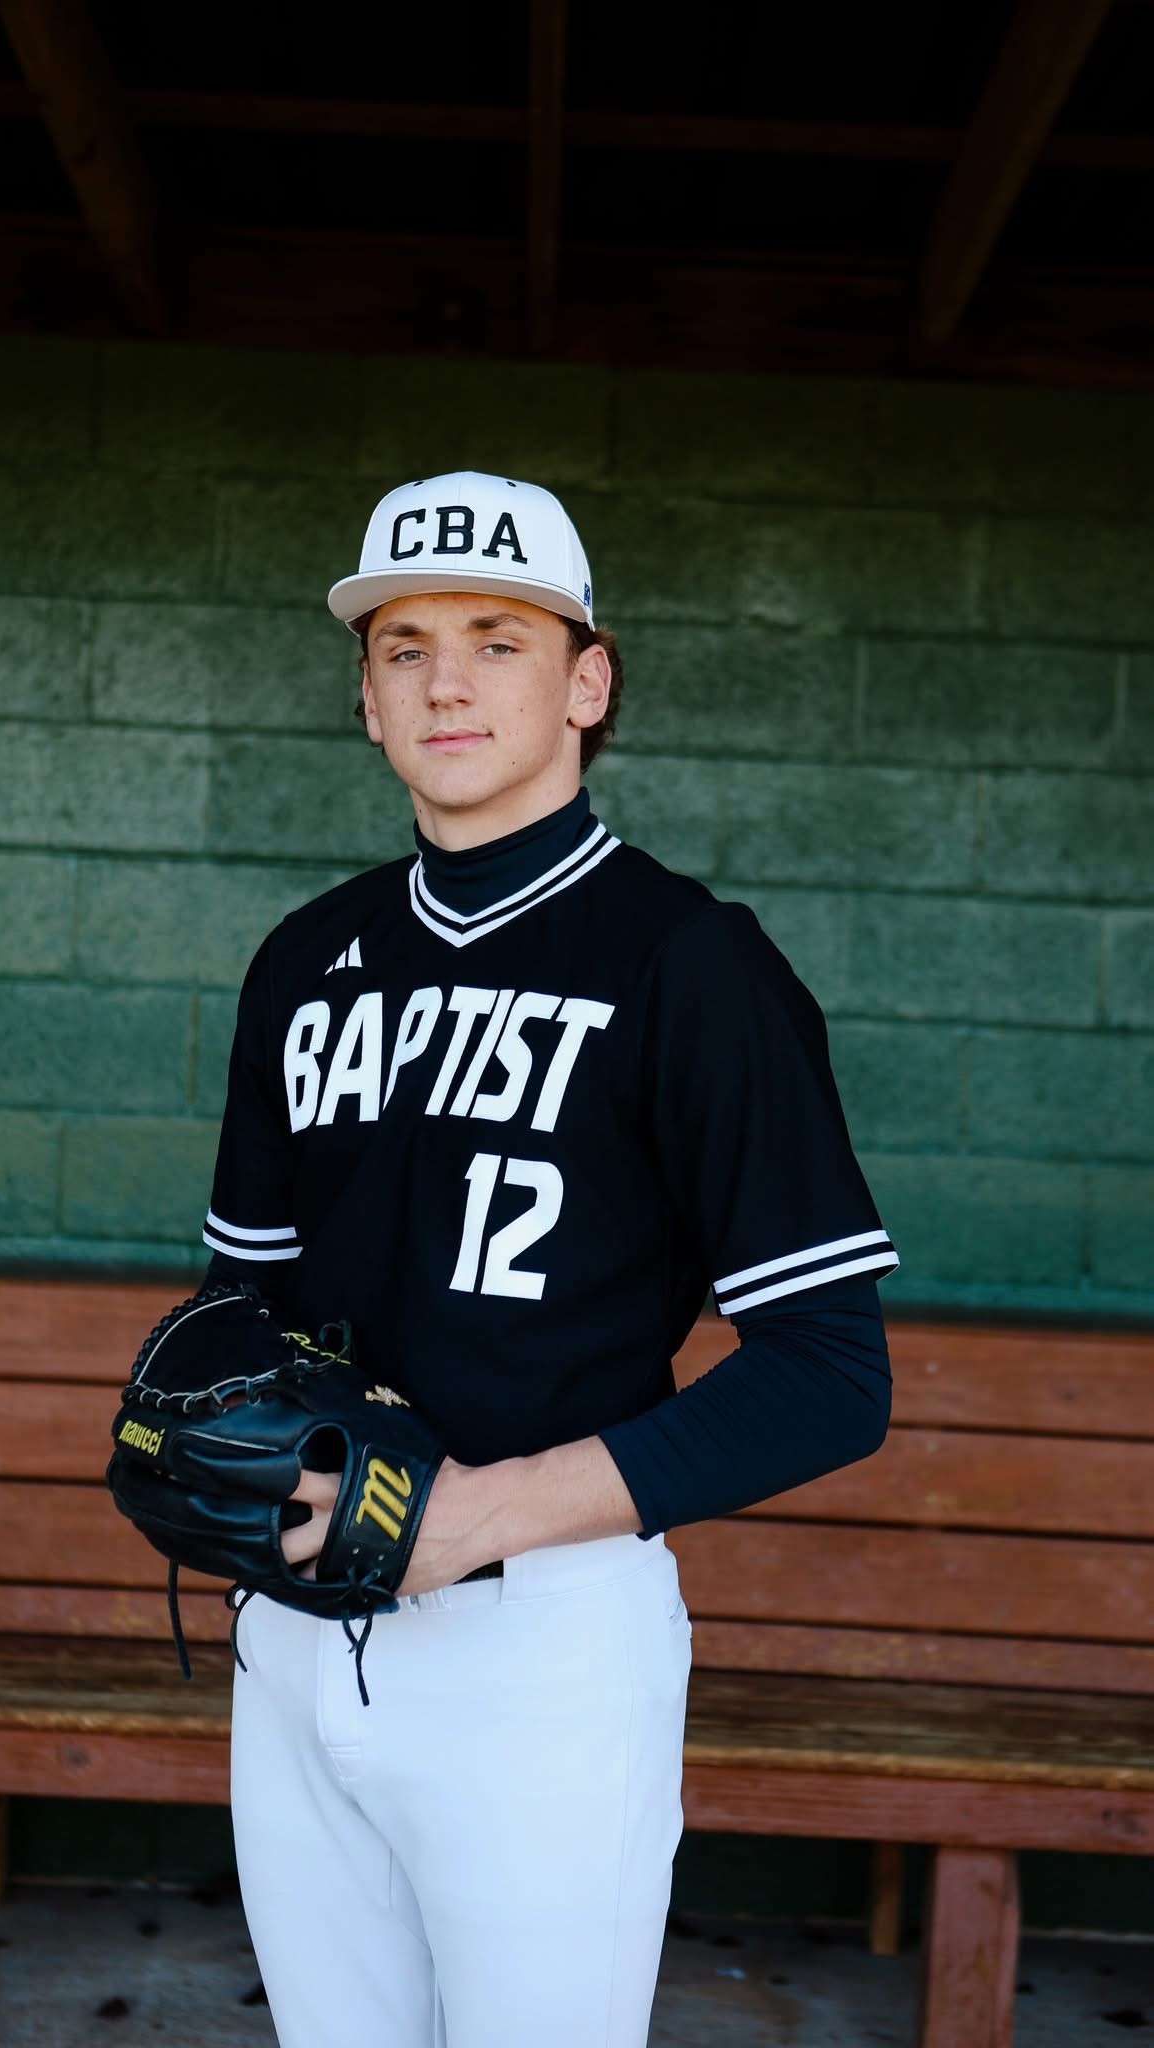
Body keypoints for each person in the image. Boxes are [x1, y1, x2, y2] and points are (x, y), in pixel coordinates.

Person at [201, 471, 898, 2047]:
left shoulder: (690, 964)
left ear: (586, 684)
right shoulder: (304, 959)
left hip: (538, 1644)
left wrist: (473, 1514)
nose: (444, 680)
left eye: (497, 640)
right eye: (403, 647)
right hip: (297, 1631)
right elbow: (243, 1302)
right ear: (365, 701)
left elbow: (826, 1379)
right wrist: (221, 1435)